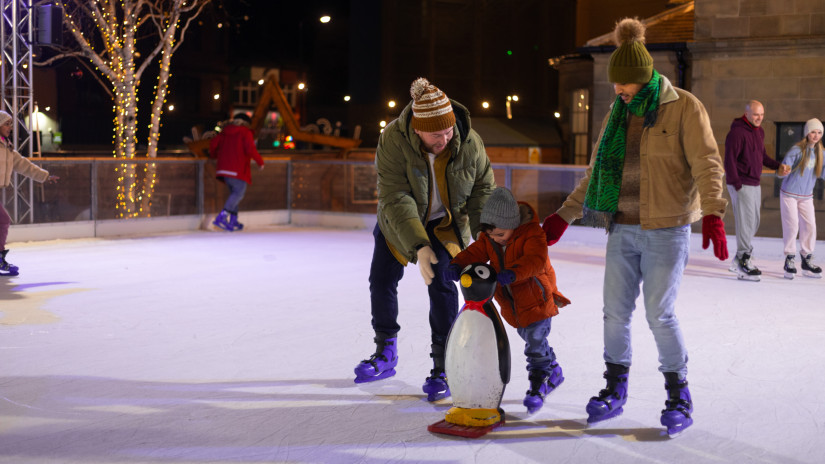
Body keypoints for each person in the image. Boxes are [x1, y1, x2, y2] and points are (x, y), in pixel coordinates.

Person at [541, 18, 728, 436]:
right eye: (617, 86)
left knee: (659, 315)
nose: (618, 92)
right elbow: (596, 174)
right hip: (621, 230)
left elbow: (707, 163)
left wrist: (713, 211)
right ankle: (614, 388)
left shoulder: (683, 106)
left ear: (643, 79)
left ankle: (678, 393)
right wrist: (563, 216)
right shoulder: (617, 114)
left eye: (624, 86)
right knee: (614, 315)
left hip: (666, 229)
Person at [354, 77, 496, 403]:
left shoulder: (469, 142)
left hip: (446, 225)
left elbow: (481, 193)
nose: (445, 139)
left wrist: (485, 241)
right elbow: (396, 196)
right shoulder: (392, 139)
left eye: (448, 132)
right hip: (399, 222)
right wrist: (419, 246)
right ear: (417, 129)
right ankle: (385, 351)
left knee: (443, 285)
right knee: (381, 279)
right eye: (436, 134)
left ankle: (443, 365)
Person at [444, 187, 570, 414]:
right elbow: (474, 252)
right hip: (512, 304)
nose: (495, 239)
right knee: (531, 339)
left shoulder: (533, 234)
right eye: (491, 236)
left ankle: (539, 381)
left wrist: (513, 273)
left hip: (536, 300)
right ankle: (554, 370)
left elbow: (536, 260)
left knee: (534, 342)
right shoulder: (491, 237)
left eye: (500, 235)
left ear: (513, 225)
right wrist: (456, 264)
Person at [723, 100, 783, 281]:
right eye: (756, 114)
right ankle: (743, 260)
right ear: (747, 113)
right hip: (741, 183)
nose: (760, 118)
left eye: (762, 114)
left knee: (754, 222)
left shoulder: (759, 132)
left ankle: (738, 260)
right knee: (746, 222)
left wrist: (778, 166)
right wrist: (736, 184)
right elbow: (729, 160)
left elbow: (762, 156)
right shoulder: (737, 133)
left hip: (754, 183)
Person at [0, 110, 60, 276]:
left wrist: (45, 176)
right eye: (7, 123)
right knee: (3, 220)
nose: (10, 127)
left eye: (11, 124)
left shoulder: (7, 147)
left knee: (2, 221)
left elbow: (24, 165)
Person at [777, 118, 823, 279]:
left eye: (819, 132)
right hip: (789, 194)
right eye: (813, 132)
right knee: (792, 226)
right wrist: (784, 171)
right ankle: (789, 259)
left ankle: (806, 259)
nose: (816, 135)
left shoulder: (821, 153)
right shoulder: (797, 150)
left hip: (806, 196)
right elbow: (783, 169)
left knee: (810, 226)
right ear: (807, 133)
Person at [208, 112, 264, 231]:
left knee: (235, 194)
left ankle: (233, 220)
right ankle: (222, 218)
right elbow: (250, 149)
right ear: (246, 123)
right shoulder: (245, 132)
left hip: (224, 169)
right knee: (238, 194)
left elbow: (213, 144)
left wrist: (214, 156)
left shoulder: (224, 131)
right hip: (237, 169)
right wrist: (260, 162)